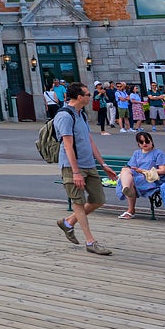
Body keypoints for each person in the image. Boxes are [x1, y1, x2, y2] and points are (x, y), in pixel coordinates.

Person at [54, 83, 114, 256]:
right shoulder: (65, 116)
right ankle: (90, 241)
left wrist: (103, 164)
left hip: (89, 164)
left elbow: (90, 141)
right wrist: (75, 172)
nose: (90, 96)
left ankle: (68, 222)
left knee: (98, 199)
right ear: (79, 97)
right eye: (87, 94)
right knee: (79, 203)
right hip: (73, 166)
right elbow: (67, 146)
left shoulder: (82, 114)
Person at [118, 131, 165, 219]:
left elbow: (163, 170)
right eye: (141, 142)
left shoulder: (158, 153)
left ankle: (130, 210)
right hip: (137, 176)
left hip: (151, 178)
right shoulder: (137, 153)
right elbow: (131, 167)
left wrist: (144, 171)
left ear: (151, 141)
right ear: (138, 143)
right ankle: (126, 188)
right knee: (125, 170)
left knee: (131, 180)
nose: (144, 144)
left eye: (147, 141)